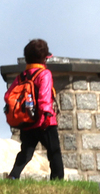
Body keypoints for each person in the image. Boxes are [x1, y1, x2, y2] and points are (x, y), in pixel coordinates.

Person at [8, 38, 65, 180]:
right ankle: (57, 179)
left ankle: (14, 175)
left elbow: (9, 95)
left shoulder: (21, 77)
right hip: (44, 122)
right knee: (54, 152)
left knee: (26, 153)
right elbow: (45, 96)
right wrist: (46, 114)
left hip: (27, 122)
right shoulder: (44, 74)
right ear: (44, 59)